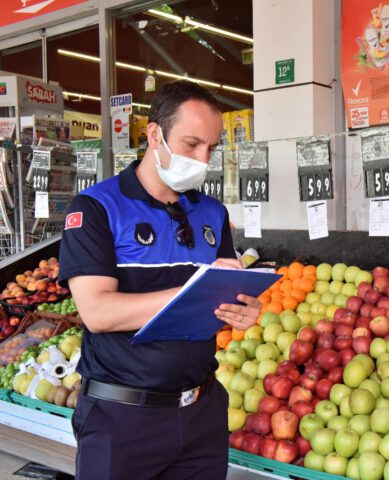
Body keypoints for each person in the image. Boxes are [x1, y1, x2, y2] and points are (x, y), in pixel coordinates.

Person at [58, 81, 260, 479]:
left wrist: (241, 308)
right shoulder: (97, 208)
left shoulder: (213, 213)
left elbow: (216, 299)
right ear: (155, 136)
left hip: (202, 414)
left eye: (212, 149)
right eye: (191, 144)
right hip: (122, 420)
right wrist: (192, 289)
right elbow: (97, 312)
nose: (203, 159)